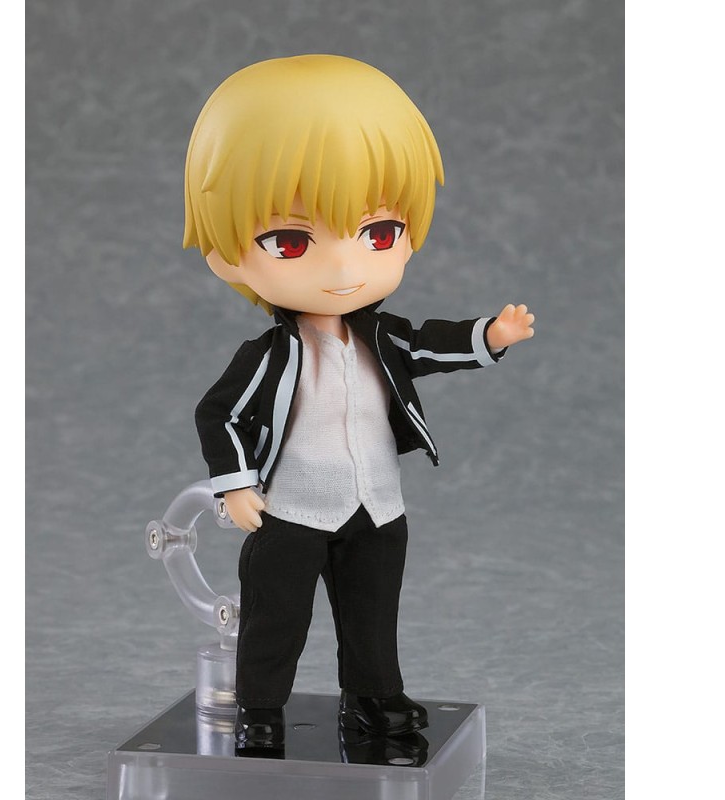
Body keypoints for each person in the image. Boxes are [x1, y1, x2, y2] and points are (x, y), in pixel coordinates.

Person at [183, 55, 535, 750]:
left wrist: (489, 336)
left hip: (376, 504)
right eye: (291, 241)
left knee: (373, 615)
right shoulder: (270, 355)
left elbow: (428, 345)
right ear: (226, 254)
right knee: (276, 618)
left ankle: (373, 699)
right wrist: (236, 485)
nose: (345, 267)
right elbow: (218, 413)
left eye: (378, 233)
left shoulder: (383, 337)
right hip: (291, 510)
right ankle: (261, 711)